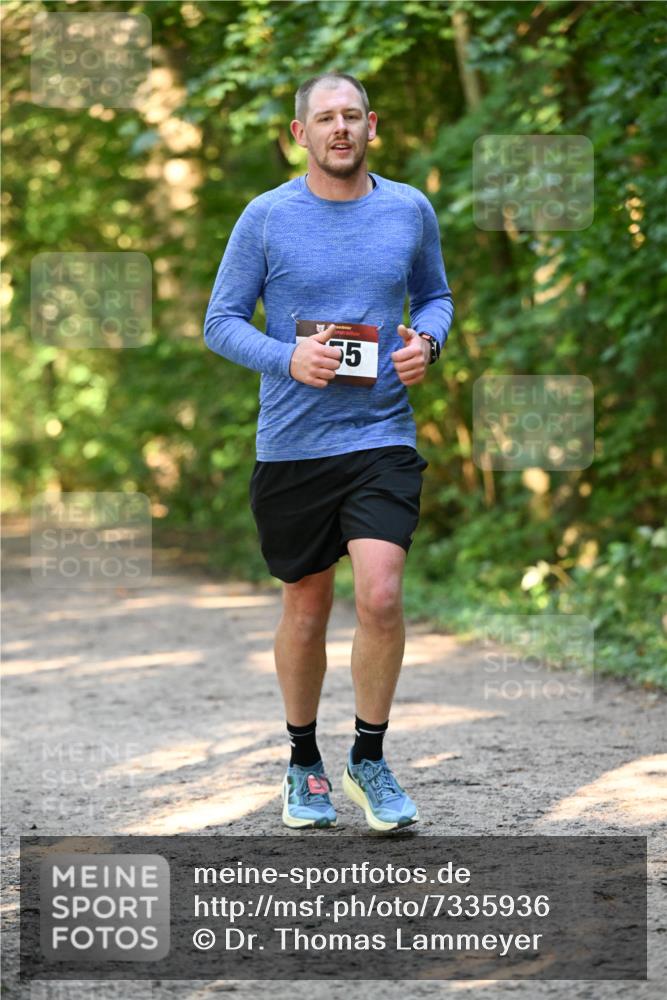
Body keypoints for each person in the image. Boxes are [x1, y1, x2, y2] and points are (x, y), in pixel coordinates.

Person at [203, 71, 454, 833]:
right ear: (299, 133)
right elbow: (219, 321)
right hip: (293, 446)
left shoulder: (409, 208)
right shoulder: (266, 218)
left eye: (351, 116)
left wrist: (427, 344)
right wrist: (287, 358)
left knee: (380, 593)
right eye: (324, 118)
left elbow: (434, 297)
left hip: (381, 433)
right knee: (306, 606)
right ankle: (302, 763)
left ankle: (369, 759)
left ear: (371, 126)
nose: (338, 128)